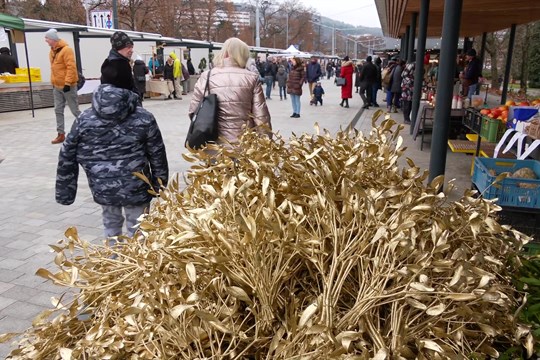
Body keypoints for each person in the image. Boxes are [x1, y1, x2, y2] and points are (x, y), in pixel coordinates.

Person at [55, 83, 169, 241]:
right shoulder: (143, 117)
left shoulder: (84, 119)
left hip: (102, 186)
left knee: (110, 225)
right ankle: (138, 263)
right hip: (136, 185)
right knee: (139, 228)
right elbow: (157, 153)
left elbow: (67, 154)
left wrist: (65, 193)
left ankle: (114, 261)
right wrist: (159, 185)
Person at [188, 37, 271, 147]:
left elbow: (193, 111)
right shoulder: (252, 78)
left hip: (213, 144)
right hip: (244, 144)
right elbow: (261, 117)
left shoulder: (207, 76)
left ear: (225, 52)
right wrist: (266, 142)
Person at [45, 28, 81, 145]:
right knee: (58, 110)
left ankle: (86, 129)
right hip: (57, 86)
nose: (46, 40)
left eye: (47, 38)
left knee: (75, 110)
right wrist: (53, 83)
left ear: (53, 39)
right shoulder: (52, 51)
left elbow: (71, 67)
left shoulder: (67, 50)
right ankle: (60, 134)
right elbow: (55, 69)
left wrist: (67, 83)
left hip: (68, 86)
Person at [101, 31, 139, 100]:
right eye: (128, 47)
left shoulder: (107, 63)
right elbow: (129, 93)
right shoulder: (121, 65)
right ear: (119, 48)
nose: (131, 50)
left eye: (132, 47)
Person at [401, 59, 415, 124]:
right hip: (407, 87)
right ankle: (406, 119)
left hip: (408, 87)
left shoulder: (412, 65)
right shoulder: (411, 65)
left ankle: (407, 118)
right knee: (407, 103)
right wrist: (411, 80)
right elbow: (404, 74)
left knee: (409, 103)